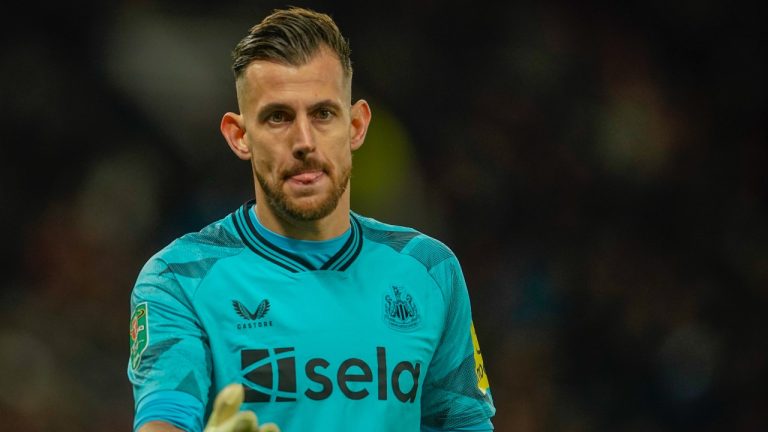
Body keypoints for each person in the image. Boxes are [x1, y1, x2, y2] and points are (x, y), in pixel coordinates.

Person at [127, 6, 496, 432]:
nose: (304, 141)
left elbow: (465, 425)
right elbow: (163, 420)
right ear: (239, 136)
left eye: (322, 114)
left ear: (356, 125)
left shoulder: (429, 272)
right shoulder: (181, 278)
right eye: (278, 117)